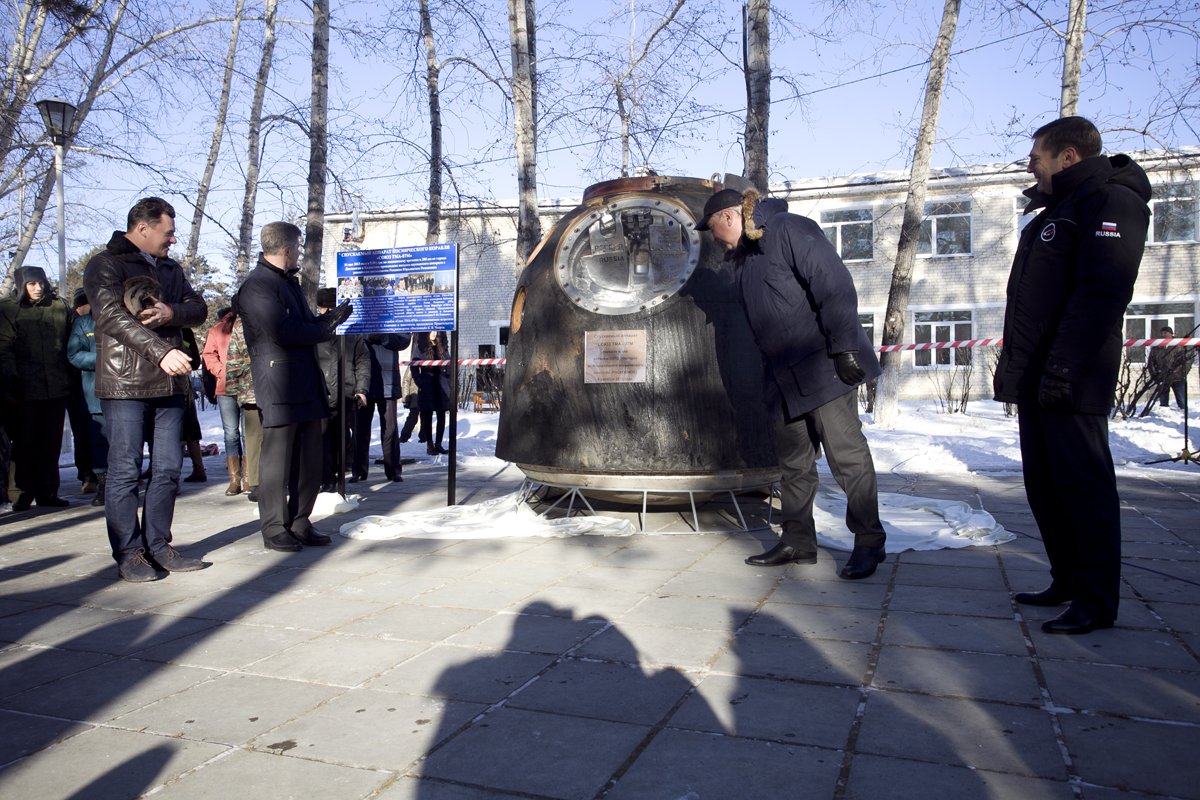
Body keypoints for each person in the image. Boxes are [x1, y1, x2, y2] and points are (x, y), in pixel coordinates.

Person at [994, 116, 1151, 635]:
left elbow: (1102, 292)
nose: (1030, 166)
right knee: (1045, 484)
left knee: (1084, 488)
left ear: (1068, 156)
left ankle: (1096, 600)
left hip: (1075, 375)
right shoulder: (1054, 211)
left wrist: (1064, 366)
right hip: (1043, 375)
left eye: (1036, 157)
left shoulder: (1111, 201)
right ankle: (1066, 579)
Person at [696, 187, 887, 580]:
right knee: (794, 465)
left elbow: (833, 284)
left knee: (846, 457)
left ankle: (869, 542)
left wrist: (846, 347)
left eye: (714, 229)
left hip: (825, 367)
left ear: (730, 218)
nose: (714, 239)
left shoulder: (787, 229)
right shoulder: (745, 258)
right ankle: (798, 540)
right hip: (782, 378)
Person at [82, 196, 209, 581]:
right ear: (143, 228)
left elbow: (198, 307)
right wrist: (160, 351)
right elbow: (110, 316)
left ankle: (159, 546)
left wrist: (172, 312)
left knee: (169, 468)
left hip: (169, 382)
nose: (172, 240)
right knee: (125, 471)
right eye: (167, 232)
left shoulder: (170, 267)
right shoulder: (105, 264)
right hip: (125, 384)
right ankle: (130, 553)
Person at [235, 221, 351, 552]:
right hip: (279, 385)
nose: (299, 252)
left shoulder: (288, 284)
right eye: (298, 248)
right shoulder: (257, 287)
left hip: (305, 382)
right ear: (287, 249)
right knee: (277, 461)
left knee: (310, 460)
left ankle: (300, 520)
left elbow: (302, 325)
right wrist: (325, 327)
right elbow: (283, 331)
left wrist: (330, 318)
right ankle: (274, 526)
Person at [0, 265, 74, 511]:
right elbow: (4, 347)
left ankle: (47, 491)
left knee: (50, 442)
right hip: (24, 388)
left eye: (40, 283)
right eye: (31, 284)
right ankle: (20, 492)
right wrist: (11, 380)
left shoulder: (59, 306)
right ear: (21, 285)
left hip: (55, 385)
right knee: (23, 442)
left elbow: (70, 342)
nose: (38, 288)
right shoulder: (9, 308)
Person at [314, 287, 369, 490]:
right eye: (324, 309)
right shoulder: (314, 331)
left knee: (340, 438)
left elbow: (362, 361)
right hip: (320, 394)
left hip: (345, 394)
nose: (326, 313)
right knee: (321, 439)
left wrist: (361, 388)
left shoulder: (350, 334)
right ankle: (326, 478)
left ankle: (335, 475)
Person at [66, 289, 109, 507]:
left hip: (128, 392)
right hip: (95, 393)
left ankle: (125, 482)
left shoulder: (123, 319)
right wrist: (105, 359)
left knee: (126, 442)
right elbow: (74, 354)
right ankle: (102, 483)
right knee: (99, 441)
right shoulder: (84, 324)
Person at [202, 307, 245, 495]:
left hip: (248, 386)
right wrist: (221, 371)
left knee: (245, 434)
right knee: (232, 433)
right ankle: (235, 479)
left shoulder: (250, 325)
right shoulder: (217, 330)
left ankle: (249, 477)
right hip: (226, 387)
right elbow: (208, 355)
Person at [360, 331, 413, 481]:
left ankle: (393, 469)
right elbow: (351, 338)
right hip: (364, 380)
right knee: (361, 429)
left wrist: (383, 337)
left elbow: (404, 340)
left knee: (390, 429)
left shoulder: (394, 314)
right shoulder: (362, 312)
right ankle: (359, 470)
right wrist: (367, 336)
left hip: (388, 381)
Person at [222, 316, 262, 502]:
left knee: (254, 439)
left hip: (251, 390)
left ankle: (256, 482)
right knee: (255, 438)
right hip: (256, 389)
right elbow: (233, 360)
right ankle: (255, 482)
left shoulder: (241, 325)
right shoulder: (242, 325)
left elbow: (233, 360)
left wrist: (233, 390)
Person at [412, 330, 451, 456]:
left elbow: (449, 364)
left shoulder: (443, 347)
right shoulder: (420, 347)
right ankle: (429, 443)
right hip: (427, 384)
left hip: (441, 385)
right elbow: (414, 365)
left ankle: (438, 443)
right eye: (431, 331)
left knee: (441, 415)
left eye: (436, 331)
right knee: (427, 415)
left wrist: (448, 379)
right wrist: (420, 381)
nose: (433, 333)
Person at [1147, 326, 1194, 409]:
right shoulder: (1156, 347)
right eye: (1162, 333)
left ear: (1171, 334)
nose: (1163, 335)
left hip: (1178, 378)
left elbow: (1187, 361)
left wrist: (1181, 373)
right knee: (1163, 404)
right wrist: (1155, 375)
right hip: (1162, 378)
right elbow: (1151, 363)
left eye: (1166, 333)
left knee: (1182, 402)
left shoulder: (1179, 345)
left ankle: (1183, 418)